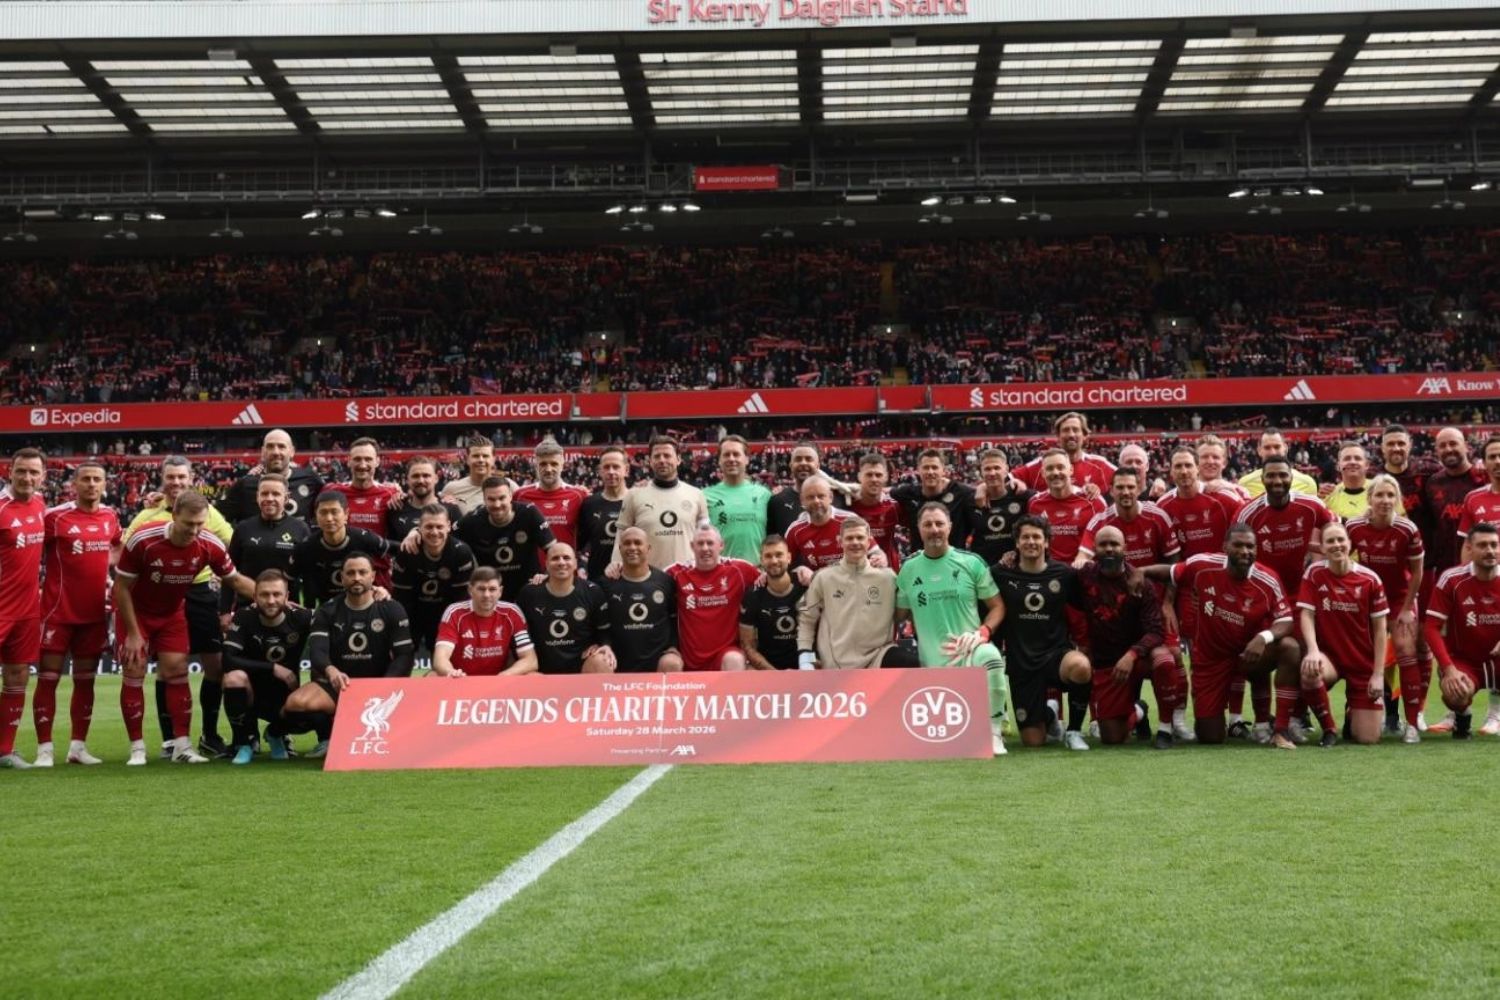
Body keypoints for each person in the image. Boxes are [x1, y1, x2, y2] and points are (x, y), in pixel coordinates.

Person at [113, 491, 256, 765]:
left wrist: (274, 599)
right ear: (175, 515)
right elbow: (121, 588)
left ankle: (182, 747)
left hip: (171, 615)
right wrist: (133, 633)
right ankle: (137, 748)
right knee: (134, 671)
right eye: (188, 523)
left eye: (200, 523)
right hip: (136, 614)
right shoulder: (144, 539)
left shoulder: (209, 544)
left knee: (177, 671)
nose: (194, 530)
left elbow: (236, 581)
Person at [124, 455, 237, 760]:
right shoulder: (146, 516)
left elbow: (232, 543)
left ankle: (209, 735)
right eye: (170, 477)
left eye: (181, 477)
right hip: (159, 593)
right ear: (162, 479)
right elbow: (125, 551)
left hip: (199, 591)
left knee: (215, 664)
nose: (176, 482)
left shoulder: (208, 512)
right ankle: (170, 741)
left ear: (191, 479)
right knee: (169, 668)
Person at [1162, 524, 1300, 745]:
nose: (1245, 551)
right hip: (1212, 660)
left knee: (1290, 647)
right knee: (1210, 736)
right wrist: (1137, 574)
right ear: (1225, 547)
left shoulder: (1268, 579)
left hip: (1248, 654)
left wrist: (1263, 637)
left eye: (1250, 546)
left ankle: (1278, 729)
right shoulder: (1203, 565)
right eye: (1238, 545)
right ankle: (1227, 718)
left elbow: (1286, 620)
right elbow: (1168, 572)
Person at [1233, 457, 1333, 740]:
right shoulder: (1248, 513)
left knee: (1297, 652)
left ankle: (1294, 719)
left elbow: (1334, 530)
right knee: (1261, 655)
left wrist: (1318, 559)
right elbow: (1233, 551)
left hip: (1299, 596)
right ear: (1262, 479)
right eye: (1271, 476)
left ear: (1291, 477)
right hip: (1261, 596)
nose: (1277, 481)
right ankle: (1261, 722)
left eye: (1282, 476)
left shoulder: (1311, 506)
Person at [896, 503, 1009, 755]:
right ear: (918, 529)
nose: (934, 529)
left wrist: (982, 633)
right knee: (945, 744)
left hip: (969, 651)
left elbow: (998, 606)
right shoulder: (908, 569)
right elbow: (897, 616)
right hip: (932, 661)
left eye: (939, 523)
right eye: (928, 524)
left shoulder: (971, 562)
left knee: (991, 657)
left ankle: (994, 733)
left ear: (950, 527)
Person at [280, 554, 414, 758]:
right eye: (350, 573)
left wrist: (385, 685)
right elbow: (317, 652)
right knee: (296, 705)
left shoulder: (392, 608)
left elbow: (404, 655)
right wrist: (331, 671)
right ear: (342, 578)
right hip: (340, 686)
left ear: (373, 576)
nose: (356, 577)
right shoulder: (327, 610)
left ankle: (359, 732)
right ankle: (326, 736)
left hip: (379, 685)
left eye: (362, 572)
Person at [35, 461, 121, 767]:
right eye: (85, 479)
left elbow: (117, 548)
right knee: (48, 679)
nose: (91, 484)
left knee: (86, 681)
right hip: (57, 612)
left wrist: (109, 570)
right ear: (74, 484)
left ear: (105, 484)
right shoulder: (55, 517)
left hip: (94, 615)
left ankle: (77, 747)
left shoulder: (110, 516)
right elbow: (30, 551)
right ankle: (44, 750)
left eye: (97, 479)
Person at [988, 515, 1094, 752]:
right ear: (1017, 542)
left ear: (1046, 542)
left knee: (1081, 667)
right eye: (1025, 537)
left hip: (1056, 655)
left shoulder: (1064, 575)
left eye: (1037, 537)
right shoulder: (1000, 573)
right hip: (1021, 663)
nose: (1031, 542)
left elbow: (1086, 604)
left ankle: (1074, 731)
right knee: (1033, 741)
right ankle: (1049, 714)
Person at [1285, 522, 1389, 748]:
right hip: (1330, 658)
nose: (1336, 545)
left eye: (1341, 540)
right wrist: (1313, 650)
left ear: (1350, 544)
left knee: (1368, 738)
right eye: (1330, 541)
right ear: (1322, 547)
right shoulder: (1314, 573)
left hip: (1362, 663)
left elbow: (1381, 630)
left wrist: (1378, 674)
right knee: (1310, 670)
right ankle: (1329, 729)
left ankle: (1353, 712)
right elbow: (1306, 615)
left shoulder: (1370, 579)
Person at [1346, 475, 1426, 742]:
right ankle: (1359, 712)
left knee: (1405, 649)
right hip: (1368, 601)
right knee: (1364, 654)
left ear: (1398, 500)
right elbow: (1343, 558)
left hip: (1399, 599)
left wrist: (1407, 609)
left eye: (1391, 495)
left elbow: (1417, 573)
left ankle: (1412, 723)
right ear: (1369, 498)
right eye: (1379, 495)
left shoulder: (1407, 529)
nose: (1385, 500)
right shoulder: (1354, 526)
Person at [1077, 526, 1173, 748]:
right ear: (1094, 549)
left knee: (1164, 660)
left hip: (1138, 658)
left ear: (1125, 548)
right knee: (1112, 738)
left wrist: (1131, 655)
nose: (1109, 549)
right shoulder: (1084, 577)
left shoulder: (1140, 582)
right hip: (1107, 663)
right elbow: (1051, 572)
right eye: (1103, 544)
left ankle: (1166, 728)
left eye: (1114, 544)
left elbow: (1156, 632)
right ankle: (1139, 711)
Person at [1420, 426, 1487, 733]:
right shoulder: (1433, 483)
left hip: (1483, 574)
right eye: (1443, 445)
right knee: (1446, 641)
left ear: (1466, 446)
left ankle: (1495, 713)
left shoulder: (1481, 480)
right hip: (1444, 575)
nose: (1448, 449)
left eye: (1453, 444)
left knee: (1488, 634)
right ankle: (1455, 710)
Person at [797, 517, 912, 671]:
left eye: (860, 537)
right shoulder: (824, 577)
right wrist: (805, 657)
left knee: (911, 662)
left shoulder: (888, 578)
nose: (855, 542)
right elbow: (806, 618)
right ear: (840, 542)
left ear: (868, 541)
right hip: (837, 664)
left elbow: (907, 610)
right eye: (849, 538)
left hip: (877, 657)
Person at [221, 570, 312, 764]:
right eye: (264, 595)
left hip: (287, 697)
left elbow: (339, 614)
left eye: (277, 594)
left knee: (315, 711)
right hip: (251, 695)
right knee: (233, 679)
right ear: (254, 597)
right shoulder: (244, 616)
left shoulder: (302, 617)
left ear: (287, 596)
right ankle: (244, 743)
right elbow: (228, 660)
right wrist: (273, 668)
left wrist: (374, 593)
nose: (271, 601)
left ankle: (275, 734)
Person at [1425, 522, 1500, 740]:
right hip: (1466, 663)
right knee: (1455, 693)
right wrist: (1448, 669)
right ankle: (1461, 715)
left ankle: (1496, 716)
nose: (1490, 551)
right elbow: (1431, 628)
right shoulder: (1452, 579)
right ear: (1469, 549)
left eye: (1494, 545)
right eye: (1483, 545)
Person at [0, 449, 48, 769]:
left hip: (27, 609)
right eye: (21, 471)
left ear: (43, 476)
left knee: (17, 676)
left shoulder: (41, 505)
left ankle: (4, 750)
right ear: (10, 472)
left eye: (33, 472)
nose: (27, 478)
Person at [665, 525, 759, 672]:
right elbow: (649, 582)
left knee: (734, 660)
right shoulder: (676, 573)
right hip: (688, 659)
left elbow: (770, 581)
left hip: (725, 655)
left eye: (710, 543)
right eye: (700, 543)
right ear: (692, 546)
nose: (705, 548)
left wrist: (799, 571)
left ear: (721, 545)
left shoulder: (739, 570)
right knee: (669, 663)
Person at [610, 436, 708, 571]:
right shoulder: (633, 495)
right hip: (647, 577)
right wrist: (616, 563)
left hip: (687, 576)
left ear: (678, 459)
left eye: (667, 455)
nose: (662, 460)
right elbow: (621, 535)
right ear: (650, 461)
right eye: (657, 456)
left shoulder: (696, 494)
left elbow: (705, 538)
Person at [391, 504, 475, 657]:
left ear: (448, 526)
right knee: (403, 655)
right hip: (414, 611)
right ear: (419, 528)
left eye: (439, 527)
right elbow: (401, 598)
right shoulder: (408, 551)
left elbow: (461, 599)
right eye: (429, 527)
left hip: (446, 612)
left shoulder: (461, 552)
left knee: (445, 659)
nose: (434, 532)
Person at [222, 473, 309, 616]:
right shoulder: (243, 528)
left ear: (286, 498)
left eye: (276, 494)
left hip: (287, 611)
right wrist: (224, 611)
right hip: (247, 609)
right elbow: (229, 572)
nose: (269, 498)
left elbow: (309, 576)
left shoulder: (300, 529)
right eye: (264, 494)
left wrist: (309, 610)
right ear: (257, 497)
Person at [455, 477, 556, 601]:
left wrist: (546, 575)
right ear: (484, 499)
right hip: (490, 596)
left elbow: (555, 550)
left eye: (502, 498)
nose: (497, 505)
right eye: (491, 499)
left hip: (529, 591)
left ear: (510, 496)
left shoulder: (529, 513)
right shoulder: (472, 520)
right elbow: (446, 540)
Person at [520, 544, 613, 674]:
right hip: (541, 668)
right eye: (555, 558)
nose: (561, 562)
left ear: (575, 563)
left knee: (602, 660)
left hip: (581, 664)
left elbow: (604, 631)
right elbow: (519, 635)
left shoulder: (593, 591)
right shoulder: (529, 593)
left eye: (566, 558)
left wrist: (605, 645)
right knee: (527, 674)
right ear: (546, 564)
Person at [322, 437, 402, 586]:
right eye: (357, 459)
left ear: (377, 461)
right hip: (341, 575)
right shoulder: (332, 491)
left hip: (378, 576)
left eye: (368, 459)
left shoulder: (391, 494)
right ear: (349, 461)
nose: (363, 464)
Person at [293, 491, 395, 607]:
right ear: (316, 515)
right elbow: (289, 578)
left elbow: (398, 549)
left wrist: (383, 588)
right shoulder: (306, 547)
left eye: (334, 512)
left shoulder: (363, 538)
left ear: (346, 514)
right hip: (327, 610)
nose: (329, 518)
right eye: (323, 512)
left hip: (363, 605)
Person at [601, 527, 681, 673]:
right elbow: (600, 624)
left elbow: (674, 619)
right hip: (616, 660)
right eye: (627, 543)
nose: (632, 547)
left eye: (637, 543)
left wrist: (673, 646)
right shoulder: (606, 583)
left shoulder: (666, 581)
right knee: (599, 661)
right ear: (620, 548)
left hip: (658, 660)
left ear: (648, 548)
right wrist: (604, 644)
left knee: (672, 662)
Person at [432, 568, 537, 677]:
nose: (487, 595)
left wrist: (504, 676)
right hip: (460, 679)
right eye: (481, 589)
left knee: (533, 676)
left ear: (500, 591)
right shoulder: (454, 613)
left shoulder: (512, 613)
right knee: (432, 676)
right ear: (470, 590)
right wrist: (451, 672)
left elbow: (531, 660)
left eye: (492, 589)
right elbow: (440, 658)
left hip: (499, 679)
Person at [216, 429, 325, 524]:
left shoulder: (310, 479)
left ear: (292, 452)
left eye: (281, 446)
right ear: (263, 452)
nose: (276, 452)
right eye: (270, 446)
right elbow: (218, 520)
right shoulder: (244, 485)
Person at [1027, 449, 1107, 565]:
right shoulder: (1034, 504)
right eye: (1049, 468)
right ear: (1043, 473)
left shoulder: (1094, 501)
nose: (1055, 472)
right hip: (1050, 571)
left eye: (1060, 467)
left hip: (1083, 569)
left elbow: (1104, 540)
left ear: (1071, 470)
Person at [739, 535, 805, 670]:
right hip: (768, 668)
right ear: (761, 560)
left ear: (789, 557)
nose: (774, 561)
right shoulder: (753, 595)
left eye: (779, 555)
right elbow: (747, 646)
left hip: (807, 665)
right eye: (768, 556)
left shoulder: (805, 585)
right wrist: (775, 675)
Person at [704, 435, 772, 563]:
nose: (731, 459)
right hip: (723, 571)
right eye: (726, 455)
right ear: (719, 460)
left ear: (747, 459)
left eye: (736, 454)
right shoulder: (705, 496)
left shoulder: (764, 495)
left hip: (757, 571)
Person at [514, 439, 591, 550]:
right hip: (532, 562)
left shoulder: (579, 496)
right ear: (536, 465)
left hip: (565, 561)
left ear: (562, 465)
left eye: (554, 464)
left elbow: (590, 533)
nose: (549, 469)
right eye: (543, 464)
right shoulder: (520, 496)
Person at [892, 448, 975, 549]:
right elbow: (890, 492)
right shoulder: (908, 493)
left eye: (935, 467)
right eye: (926, 467)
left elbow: (981, 493)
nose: (930, 472)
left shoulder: (961, 492)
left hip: (955, 557)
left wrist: (983, 488)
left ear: (943, 470)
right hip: (920, 557)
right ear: (918, 470)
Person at [1015, 412, 1116, 494]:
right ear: (1058, 437)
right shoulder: (1041, 464)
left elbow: (1124, 479)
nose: (1071, 434)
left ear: (1085, 435)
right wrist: (1018, 483)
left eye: (1075, 430)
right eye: (1066, 430)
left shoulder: (1100, 466)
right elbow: (1009, 479)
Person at [968, 448, 1033, 566]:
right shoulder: (971, 501)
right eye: (987, 469)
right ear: (981, 471)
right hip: (984, 569)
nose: (992, 473)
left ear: (1006, 469)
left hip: (1016, 568)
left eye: (997, 468)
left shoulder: (1022, 496)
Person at [785, 475, 861, 570]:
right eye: (810, 497)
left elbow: (873, 552)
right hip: (816, 579)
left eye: (821, 496)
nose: (816, 501)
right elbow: (784, 563)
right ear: (802, 500)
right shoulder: (795, 530)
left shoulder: (851, 521)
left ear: (831, 497)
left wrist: (877, 557)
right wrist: (800, 570)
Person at [577, 446, 631, 581]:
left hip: (631, 580)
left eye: (616, 467)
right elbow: (579, 544)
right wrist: (581, 566)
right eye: (606, 467)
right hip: (598, 580)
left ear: (626, 470)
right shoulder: (589, 504)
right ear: (599, 471)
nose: (611, 472)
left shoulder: (638, 502)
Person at [845, 451, 904, 570]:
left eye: (878, 475)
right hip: (856, 572)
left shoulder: (894, 506)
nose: (874, 479)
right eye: (869, 475)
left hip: (887, 571)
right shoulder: (847, 504)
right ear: (859, 476)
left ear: (886, 477)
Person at [387, 456, 463, 542]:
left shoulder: (451, 510)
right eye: (415, 476)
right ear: (407, 480)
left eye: (426, 476)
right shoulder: (397, 508)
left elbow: (461, 544)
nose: (421, 480)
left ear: (436, 478)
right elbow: (390, 545)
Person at [1235, 429, 1320, 498]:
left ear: (1285, 448)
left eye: (1277, 447)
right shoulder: (1244, 484)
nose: (1273, 452)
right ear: (1259, 451)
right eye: (1267, 447)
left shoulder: (1308, 484)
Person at [440, 436, 498, 515]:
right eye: (476, 456)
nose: (481, 460)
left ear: (493, 459)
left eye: (485, 456)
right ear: (467, 459)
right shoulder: (451, 489)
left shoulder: (509, 487)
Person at [1323, 441, 1372, 519]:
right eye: (1347, 459)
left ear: (1367, 465)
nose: (1352, 462)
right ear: (1338, 466)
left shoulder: (1379, 490)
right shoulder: (1328, 497)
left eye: (1357, 458)